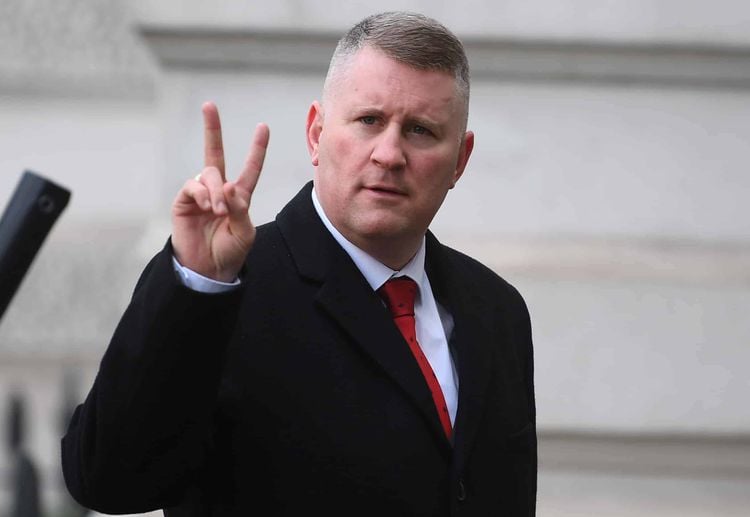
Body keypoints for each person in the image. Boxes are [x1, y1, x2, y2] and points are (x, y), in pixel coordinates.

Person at [61, 11, 536, 516]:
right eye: (369, 120)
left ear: (459, 161)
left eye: (420, 131)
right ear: (316, 133)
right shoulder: (227, 291)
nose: (390, 154)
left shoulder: (495, 310)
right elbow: (107, 480)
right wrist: (196, 284)